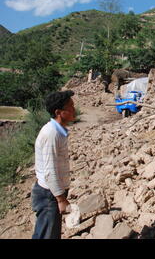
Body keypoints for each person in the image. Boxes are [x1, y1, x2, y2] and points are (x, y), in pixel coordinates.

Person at [31, 90, 76, 239]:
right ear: (59, 112)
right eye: (70, 106)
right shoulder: (52, 134)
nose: (74, 109)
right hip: (48, 195)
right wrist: (61, 199)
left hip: (51, 193)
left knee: (48, 232)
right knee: (47, 234)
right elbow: (49, 171)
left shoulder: (57, 131)